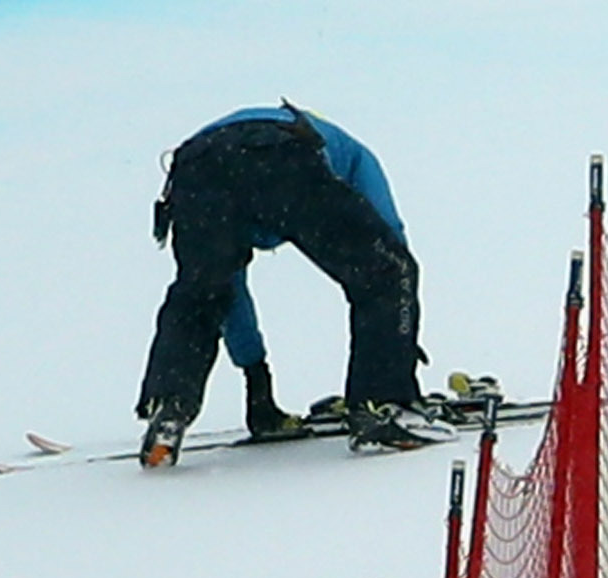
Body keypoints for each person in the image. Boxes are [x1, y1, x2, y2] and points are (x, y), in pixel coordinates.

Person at [139, 103, 424, 464]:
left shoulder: (242, 170)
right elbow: (391, 251)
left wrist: (257, 381)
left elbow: (227, 290)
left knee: (202, 291)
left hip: (196, 168)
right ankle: (383, 407)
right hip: (275, 151)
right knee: (389, 269)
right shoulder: (356, 159)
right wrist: (399, 337)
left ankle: (169, 408)